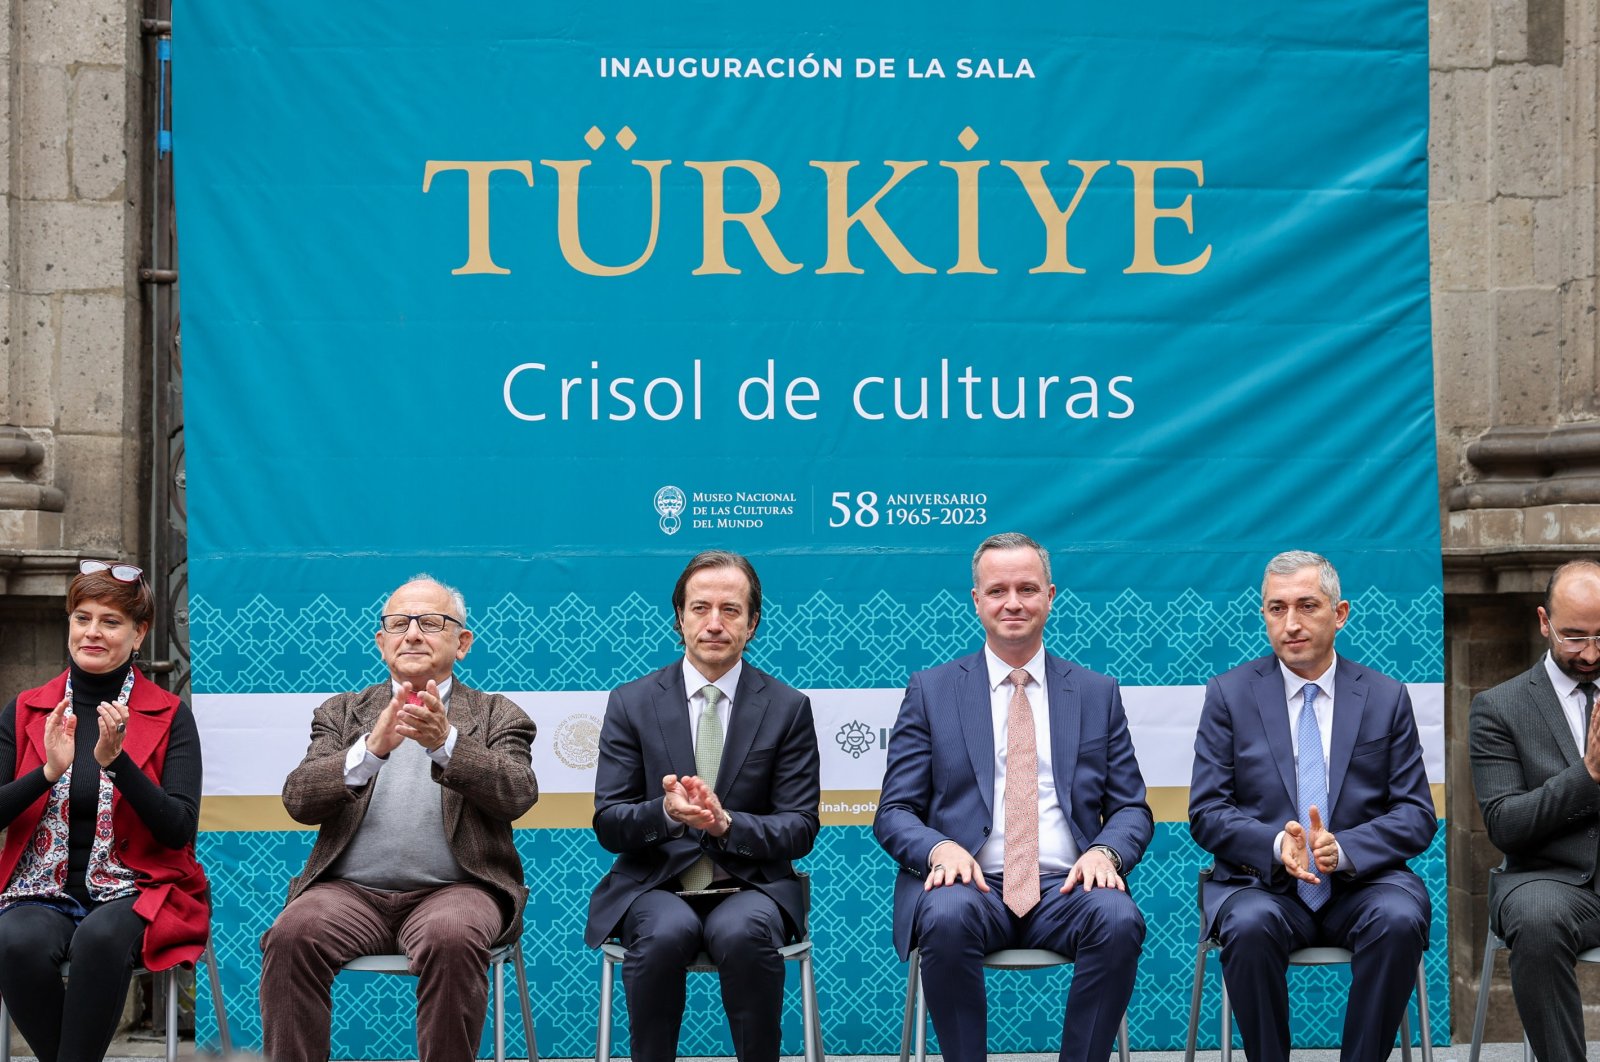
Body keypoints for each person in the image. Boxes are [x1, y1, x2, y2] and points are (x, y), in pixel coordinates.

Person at [873, 532, 1152, 1062]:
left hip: (1066, 887)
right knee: (946, 915)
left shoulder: (1096, 692)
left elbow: (1131, 808)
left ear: (1051, 596)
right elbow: (894, 812)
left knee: (1119, 919)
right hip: (970, 883)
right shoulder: (931, 691)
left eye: (1027, 588)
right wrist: (939, 850)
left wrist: (1105, 852)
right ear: (976, 600)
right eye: (997, 590)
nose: (1013, 603)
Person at [259, 574, 537, 1062]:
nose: (412, 633)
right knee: (290, 936)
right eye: (398, 623)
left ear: (462, 643)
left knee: (452, 937)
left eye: (431, 622)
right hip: (348, 894)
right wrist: (369, 752)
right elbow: (299, 800)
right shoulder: (342, 712)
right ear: (381, 641)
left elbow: (517, 794)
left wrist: (445, 744)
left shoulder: (498, 714)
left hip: (458, 890)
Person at [1189, 550, 1435, 1062]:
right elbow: (1208, 811)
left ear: (1340, 613)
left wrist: (1343, 848)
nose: (1291, 624)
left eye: (1307, 606)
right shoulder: (1230, 695)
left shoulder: (1386, 697)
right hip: (1263, 885)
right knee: (1249, 926)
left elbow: (1416, 814)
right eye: (1276, 609)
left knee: (1398, 918)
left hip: (1363, 884)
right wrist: (1279, 845)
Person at [586, 550, 821, 1062]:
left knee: (742, 933)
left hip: (751, 884)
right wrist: (667, 814)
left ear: (753, 622)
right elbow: (609, 822)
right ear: (680, 618)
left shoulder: (787, 708)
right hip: (656, 884)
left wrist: (727, 823)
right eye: (700, 608)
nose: (714, 623)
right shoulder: (632, 703)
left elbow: (800, 827)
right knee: (665, 934)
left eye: (731, 610)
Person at [0, 559, 207, 1062]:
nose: (92, 632)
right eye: (82, 617)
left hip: (137, 889)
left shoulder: (170, 714)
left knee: (99, 939)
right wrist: (46, 773)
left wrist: (119, 765)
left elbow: (178, 829)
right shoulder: (27, 708)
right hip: (39, 892)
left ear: (139, 634)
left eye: (110, 622)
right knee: (14, 940)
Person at [1470, 558, 1600, 1062]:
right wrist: (1587, 777)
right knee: (1539, 918)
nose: (1590, 654)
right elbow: (1505, 823)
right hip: (1547, 882)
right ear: (1544, 623)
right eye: (1573, 637)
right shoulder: (1498, 708)